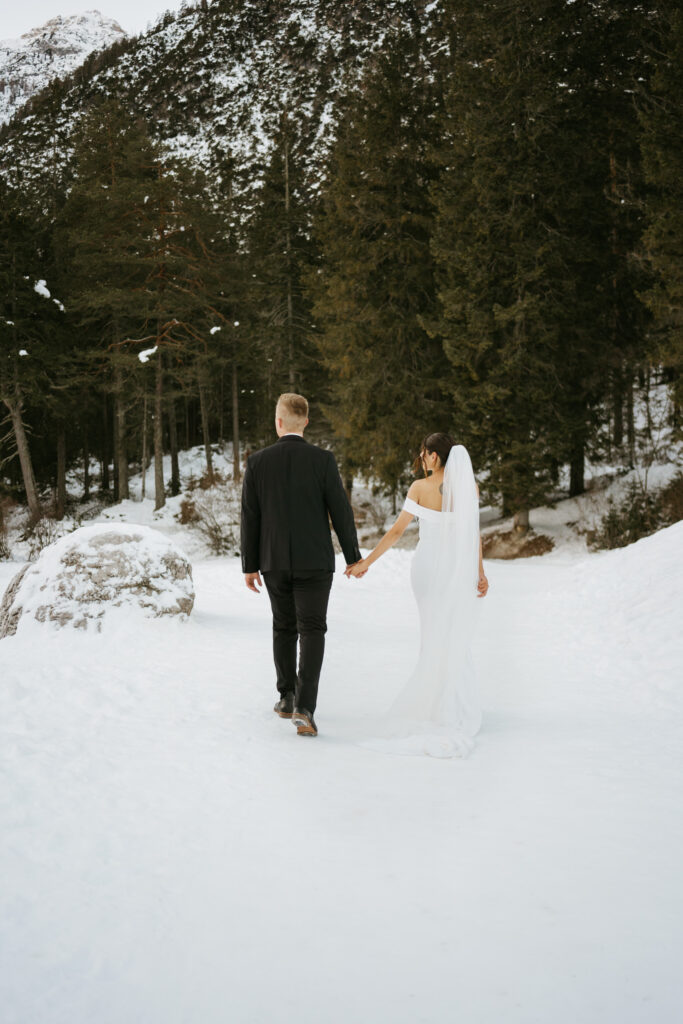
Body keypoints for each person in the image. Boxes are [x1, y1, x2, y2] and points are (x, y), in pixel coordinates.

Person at [347, 433, 488, 758]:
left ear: (434, 456)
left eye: (423, 453)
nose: (421, 459)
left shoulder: (420, 488)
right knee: (451, 633)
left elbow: (398, 531)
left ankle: (435, 702)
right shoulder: (469, 488)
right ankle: (450, 701)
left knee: (432, 632)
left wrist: (365, 562)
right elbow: (473, 534)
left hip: (427, 569)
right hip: (457, 571)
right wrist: (479, 573)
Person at [240, 392, 362, 737]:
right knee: (312, 629)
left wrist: (249, 564)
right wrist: (353, 556)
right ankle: (305, 707)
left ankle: (286, 696)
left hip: (273, 560)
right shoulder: (322, 460)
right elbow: (340, 510)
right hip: (314, 561)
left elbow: (250, 517)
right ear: (305, 422)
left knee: (284, 627)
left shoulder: (258, 462)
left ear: (278, 422)